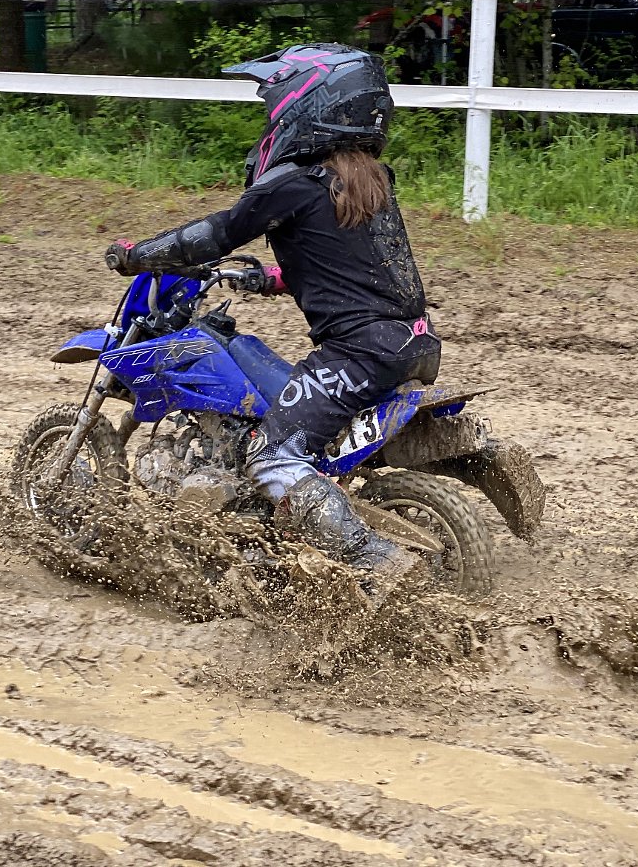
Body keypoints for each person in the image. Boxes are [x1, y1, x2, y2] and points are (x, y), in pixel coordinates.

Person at [106, 43, 440, 592]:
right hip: (409, 342)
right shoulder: (370, 178)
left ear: (304, 103)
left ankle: (376, 560)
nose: (271, 119)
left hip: (360, 352)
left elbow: (218, 232)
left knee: (274, 458)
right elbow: (350, 264)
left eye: (273, 106)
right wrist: (270, 279)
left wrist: (138, 254)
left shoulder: (293, 181)